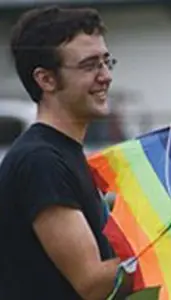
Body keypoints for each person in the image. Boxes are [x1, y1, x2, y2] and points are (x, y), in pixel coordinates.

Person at [0, 6, 135, 300]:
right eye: (90, 65)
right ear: (46, 79)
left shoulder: (66, 155)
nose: (106, 76)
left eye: (106, 61)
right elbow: (93, 283)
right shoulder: (41, 162)